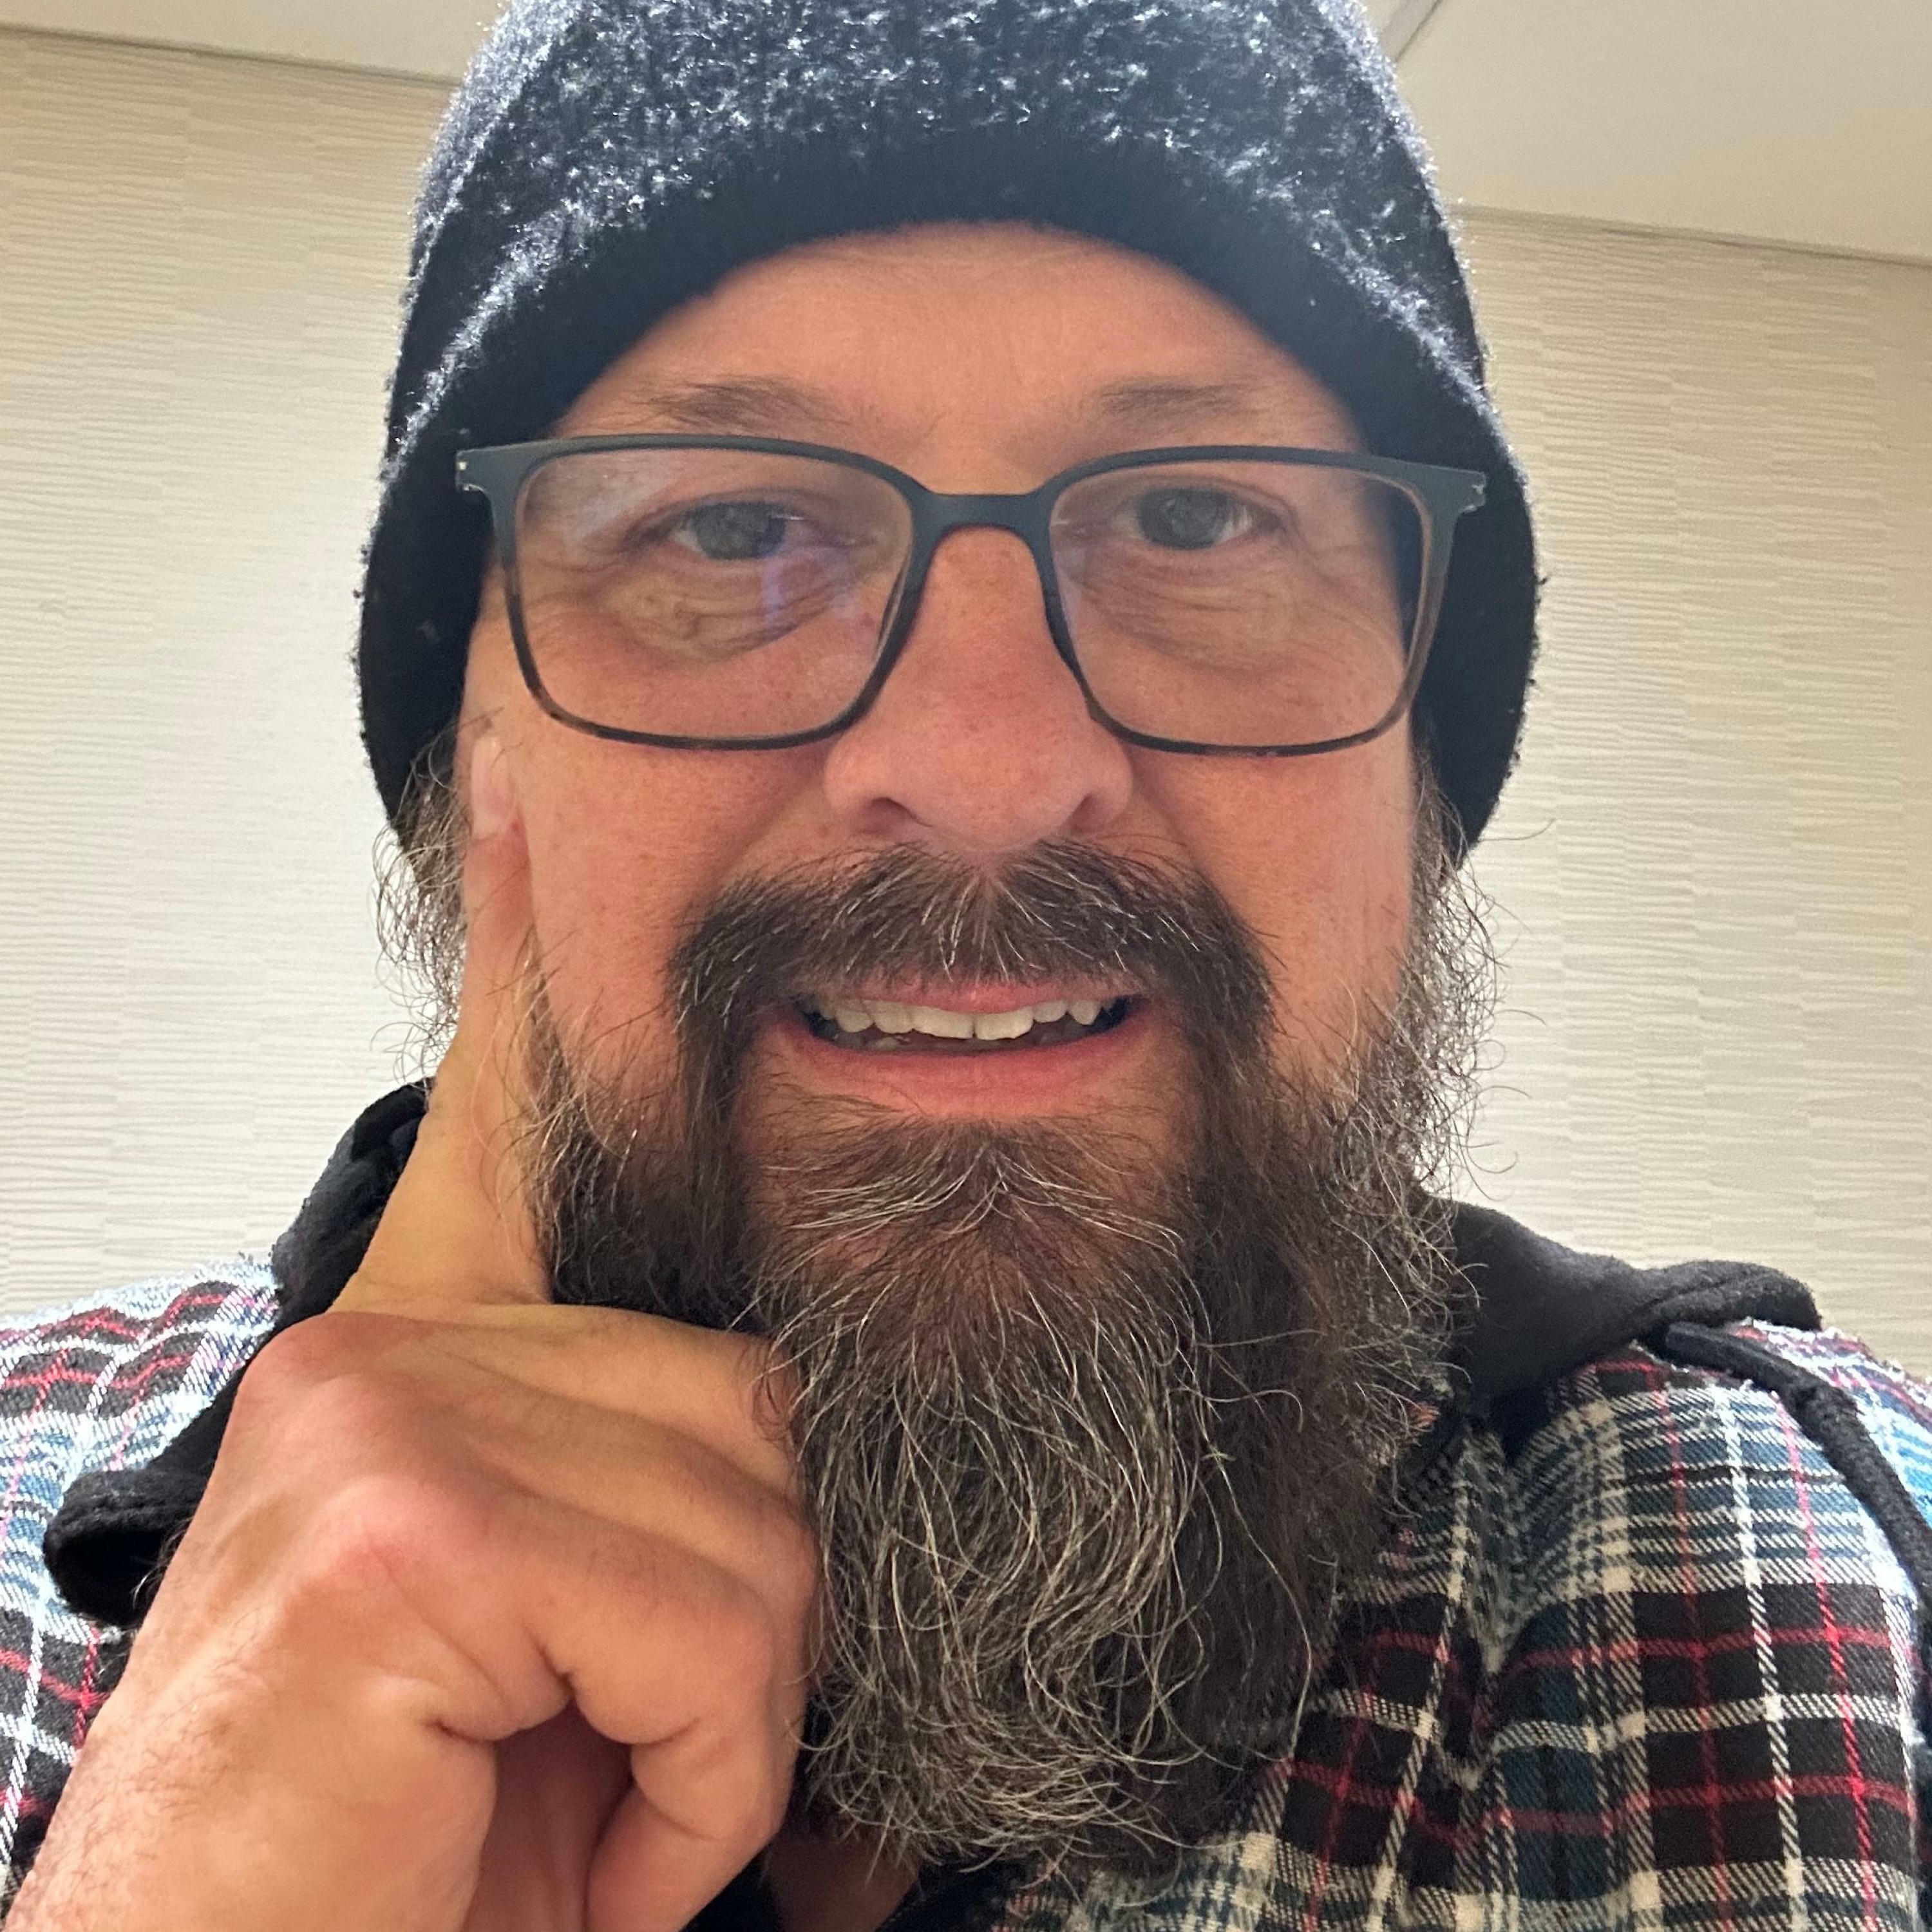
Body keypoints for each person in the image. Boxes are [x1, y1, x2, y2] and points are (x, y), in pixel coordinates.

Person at [3, 1, 1929, 1928]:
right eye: (733, 525)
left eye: (1195, 518)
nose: (988, 765)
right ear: (470, 756)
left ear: (1423, 768)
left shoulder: (1853, 1601)